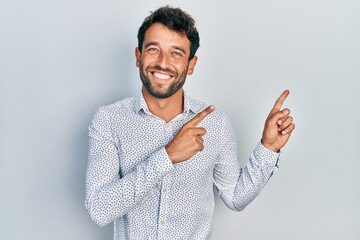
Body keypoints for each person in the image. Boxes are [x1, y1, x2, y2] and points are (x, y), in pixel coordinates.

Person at [85, 6, 295, 240]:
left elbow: (235, 197)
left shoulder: (217, 125)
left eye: (176, 53)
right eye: (153, 49)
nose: (163, 63)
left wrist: (268, 148)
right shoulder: (109, 120)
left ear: (191, 64)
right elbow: (99, 210)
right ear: (138, 56)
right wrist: (168, 156)